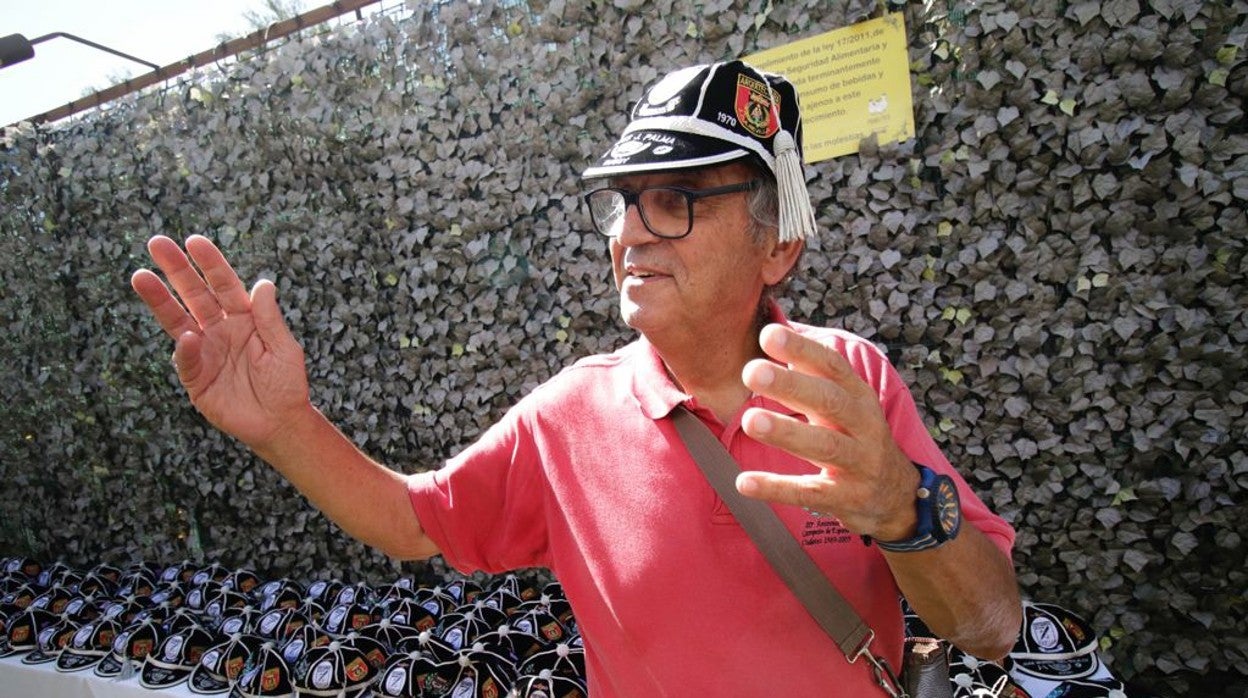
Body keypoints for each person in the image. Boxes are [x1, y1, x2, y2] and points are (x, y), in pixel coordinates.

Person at [131, 60, 1021, 696]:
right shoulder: (569, 417)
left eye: (674, 200)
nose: (630, 233)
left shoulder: (846, 381)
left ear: (776, 245)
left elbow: (990, 627)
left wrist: (907, 511)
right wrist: (288, 426)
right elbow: (413, 522)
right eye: (622, 202)